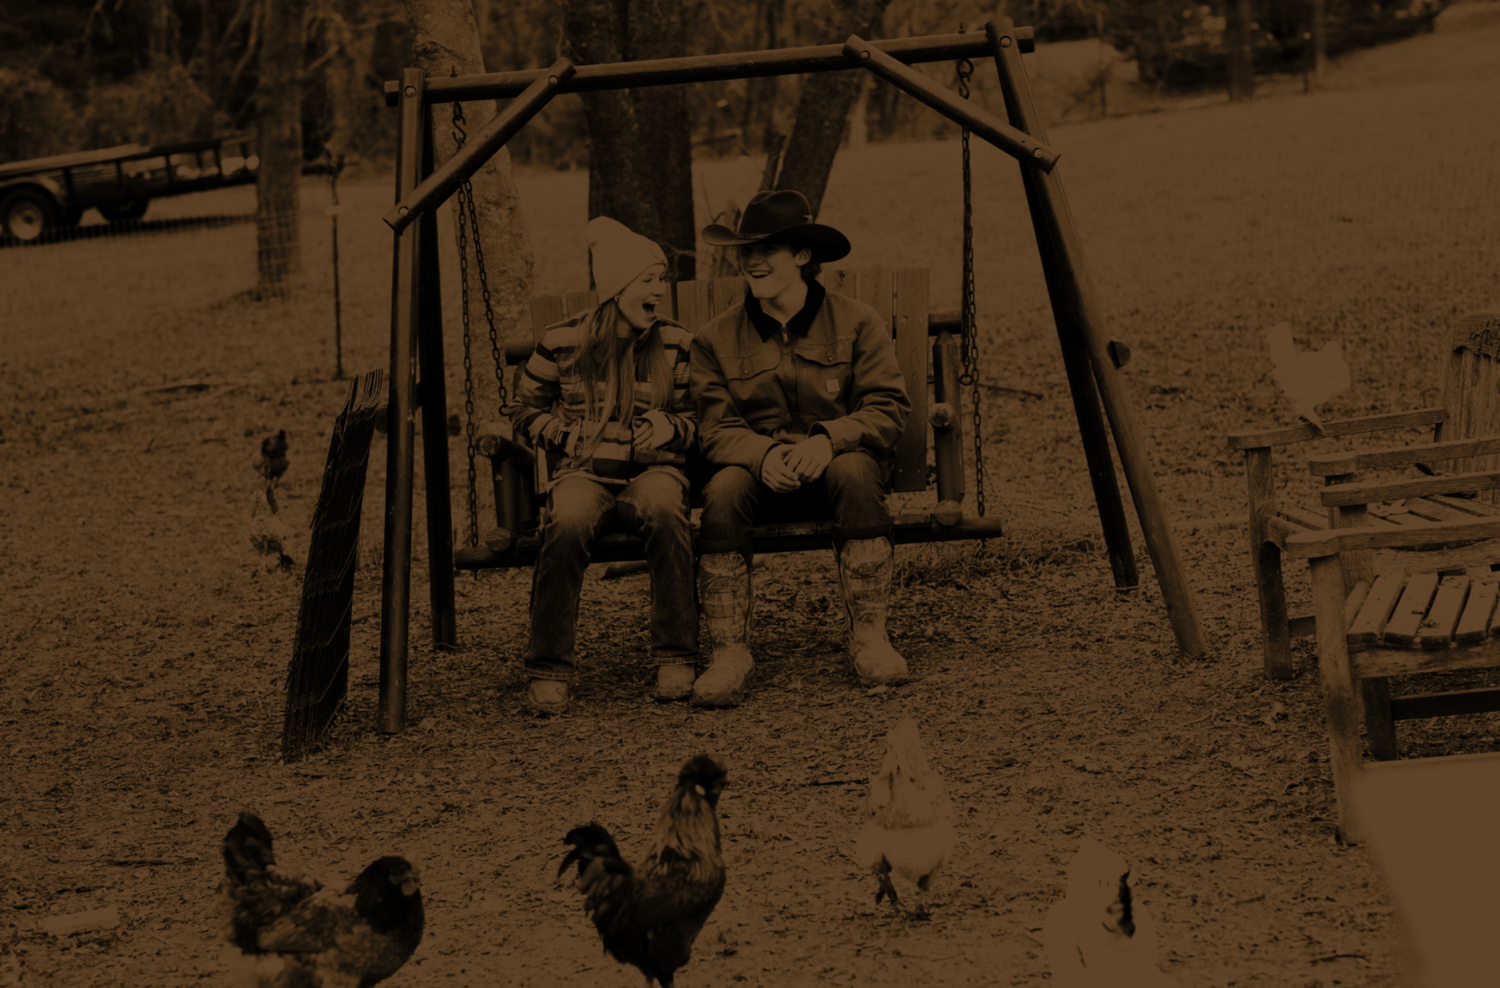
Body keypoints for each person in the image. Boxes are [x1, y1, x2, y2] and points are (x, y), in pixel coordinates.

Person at [688, 190, 912, 707]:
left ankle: (870, 637)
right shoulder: (713, 339)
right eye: (746, 250)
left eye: (768, 249)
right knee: (721, 487)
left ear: (803, 256)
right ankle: (729, 653)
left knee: (857, 470)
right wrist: (762, 454)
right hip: (759, 481)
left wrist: (829, 439)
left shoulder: (857, 321)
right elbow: (714, 429)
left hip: (839, 477)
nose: (752, 260)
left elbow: (888, 406)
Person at [508, 216, 698, 714]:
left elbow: (700, 419)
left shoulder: (676, 343)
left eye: (662, 279)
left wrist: (670, 427)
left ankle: (676, 654)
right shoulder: (563, 341)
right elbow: (522, 408)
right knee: (566, 521)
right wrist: (561, 432)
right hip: (584, 475)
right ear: (617, 287)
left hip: (653, 472)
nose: (660, 290)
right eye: (649, 280)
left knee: (664, 507)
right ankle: (549, 668)